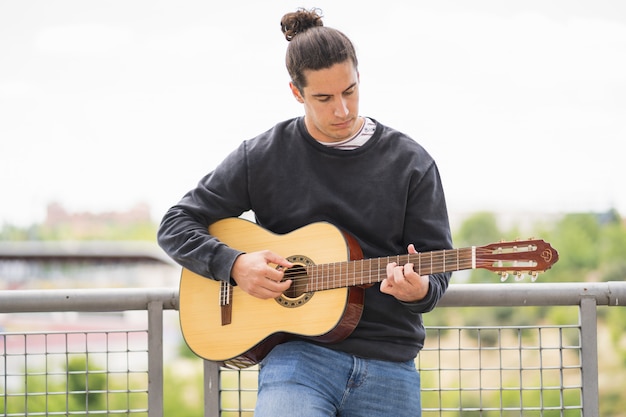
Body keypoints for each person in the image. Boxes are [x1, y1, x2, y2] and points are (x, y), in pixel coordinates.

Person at [157, 8, 452, 417]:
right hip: (296, 358)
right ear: (297, 93)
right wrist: (235, 264)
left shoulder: (412, 163)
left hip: (390, 362)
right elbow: (175, 224)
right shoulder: (262, 156)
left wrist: (421, 290)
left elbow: (437, 267)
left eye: (349, 91)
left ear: (359, 78)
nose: (342, 111)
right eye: (324, 98)